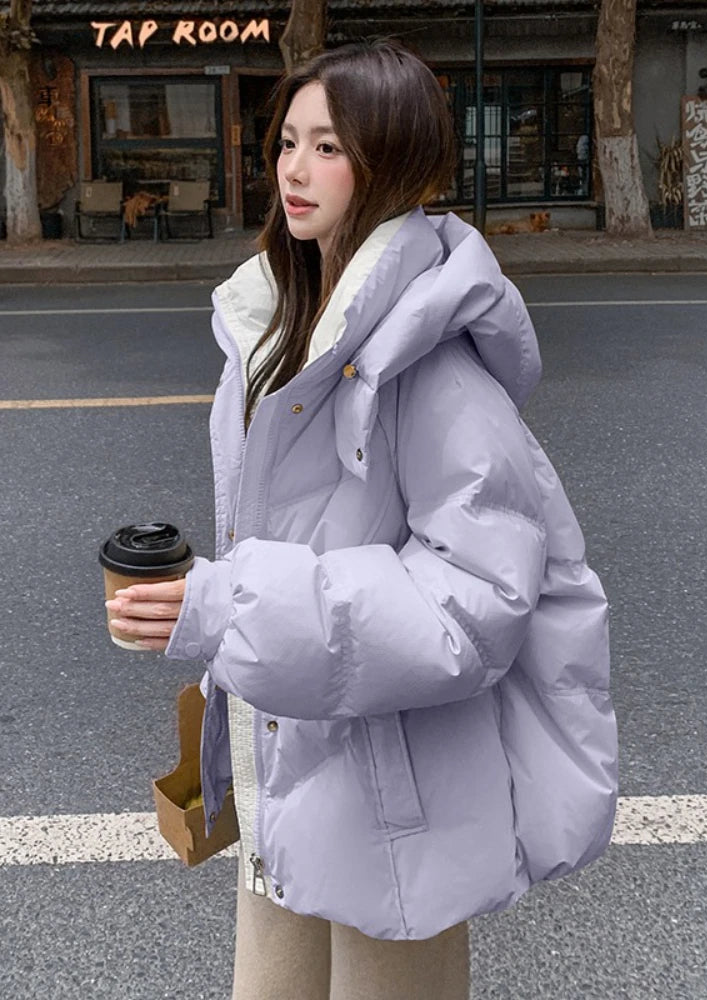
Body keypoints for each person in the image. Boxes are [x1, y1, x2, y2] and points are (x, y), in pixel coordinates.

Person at [105, 40, 617, 1000]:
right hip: (293, 764)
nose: (294, 171)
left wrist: (232, 609)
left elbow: (475, 603)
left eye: (328, 147)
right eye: (287, 142)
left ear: (396, 162)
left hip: (393, 808)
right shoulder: (283, 323)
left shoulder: (434, 365)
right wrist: (208, 611)